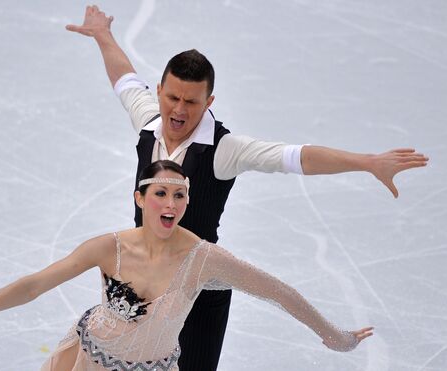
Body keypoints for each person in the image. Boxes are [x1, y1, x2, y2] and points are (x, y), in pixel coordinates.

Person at [65, 5, 427, 370]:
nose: (178, 109)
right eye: (172, 97)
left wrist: (366, 163)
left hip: (200, 293)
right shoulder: (149, 121)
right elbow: (124, 78)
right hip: (144, 284)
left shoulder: (224, 149)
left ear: (209, 102)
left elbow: (297, 157)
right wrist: (103, 35)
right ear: (159, 90)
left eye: (191, 102)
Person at [0, 160, 373, 370]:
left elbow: (277, 291)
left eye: (180, 195)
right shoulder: (108, 248)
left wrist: (334, 336)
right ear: (140, 199)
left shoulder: (203, 258)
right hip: (87, 359)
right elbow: (35, 284)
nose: (171, 203)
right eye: (160, 193)